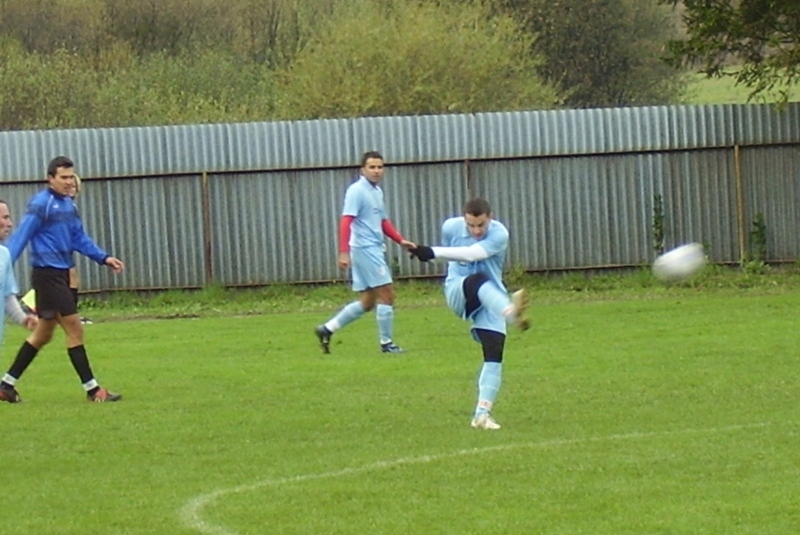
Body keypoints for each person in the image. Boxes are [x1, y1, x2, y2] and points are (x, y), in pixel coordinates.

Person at [0, 156, 125, 403]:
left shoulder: (69, 205)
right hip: (47, 276)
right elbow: (22, 235)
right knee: (75, 329)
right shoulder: (41, 204)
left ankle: (6, 386)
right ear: (50, 179)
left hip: (61, 275)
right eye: (64, 177)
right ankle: (93, 390)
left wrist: (104, 258)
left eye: (71, 176)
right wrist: (4, 263)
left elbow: (79, 238)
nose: (69, 182)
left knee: (42, 335)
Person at [408, 198, 529, 430]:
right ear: (464, 219)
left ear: (490, 218)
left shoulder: (500, 234)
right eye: (470, 225)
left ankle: (482, 415)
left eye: (480, 225)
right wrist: (430, 255)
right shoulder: (450, 227)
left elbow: (471, 254)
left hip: (491, 297)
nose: (475, 230)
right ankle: (512, 313)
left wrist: (430, 252)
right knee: (476, 280)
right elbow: (451, 257)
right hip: (459, 291)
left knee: (494, 353)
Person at [315, 151, 415, 354]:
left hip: (370, 248)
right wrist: (343, 252)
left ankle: (327, 329)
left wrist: (400, 240)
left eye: (380, 167)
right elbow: (346, 221)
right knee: (387, 294)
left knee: (368, 301)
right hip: (365, 249)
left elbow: (382, 221)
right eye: (372, 167)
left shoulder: (376, 192)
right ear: (363, 169)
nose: (377, 171)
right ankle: (387, 344)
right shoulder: (357, 191)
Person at [0, 200, 38, 348]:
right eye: (4, 217)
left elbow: (7, 295)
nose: (9, 224)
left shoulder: (4, 255)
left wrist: (23, 319)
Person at [68, 174, 92, 325]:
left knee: (71, 279)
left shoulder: (72, 207)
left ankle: (70, 314)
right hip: (56, 252)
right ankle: (71, 315)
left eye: (74, 187)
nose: (72, 189)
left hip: (66, 250)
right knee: (69, 279)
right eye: (69, 186)